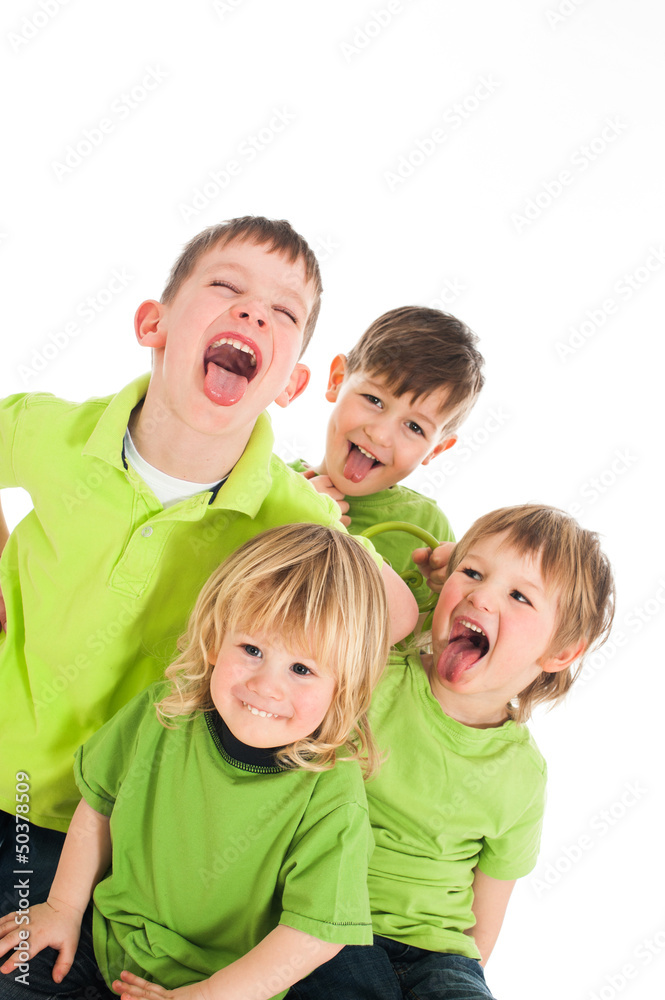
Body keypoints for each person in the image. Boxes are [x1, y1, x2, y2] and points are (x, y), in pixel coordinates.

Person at [0, 217, 417, 909]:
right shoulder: (54, 432)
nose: (253, 312)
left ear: (290, 384)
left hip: (108, 824)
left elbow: (393, 614)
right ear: (154, 324)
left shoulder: (291, 513)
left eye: (284, 311)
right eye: (226, 286)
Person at [0, 523, 391, 1000]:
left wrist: (203, 995)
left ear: (345, 687)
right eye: (252, 650)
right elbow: (98, 806)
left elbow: (314, 935)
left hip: (225, 985)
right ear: (214, 639)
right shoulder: (163, 711)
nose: (266, 686)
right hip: (106, 940)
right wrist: (62, 908)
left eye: (301, 669)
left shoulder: (331, 792)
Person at [287, 504, 615, 1000]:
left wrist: (464, 974)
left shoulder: (523, 774)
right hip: (332, 925)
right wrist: (432, 589)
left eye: (519, 595)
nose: (480, 595)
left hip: (441, 956)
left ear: (560, 653)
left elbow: (485, 917)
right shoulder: (375, 674)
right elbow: (346, 594)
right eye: (473, 573)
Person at [289, 306, 484, 607]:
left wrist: (452, 590)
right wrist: (283, 518)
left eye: (414, 427)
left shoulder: (427, 529)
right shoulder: (267, 480)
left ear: (436, 450)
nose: (380, 435)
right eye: (374, 400)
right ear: (337, 379)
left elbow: (424, 633)